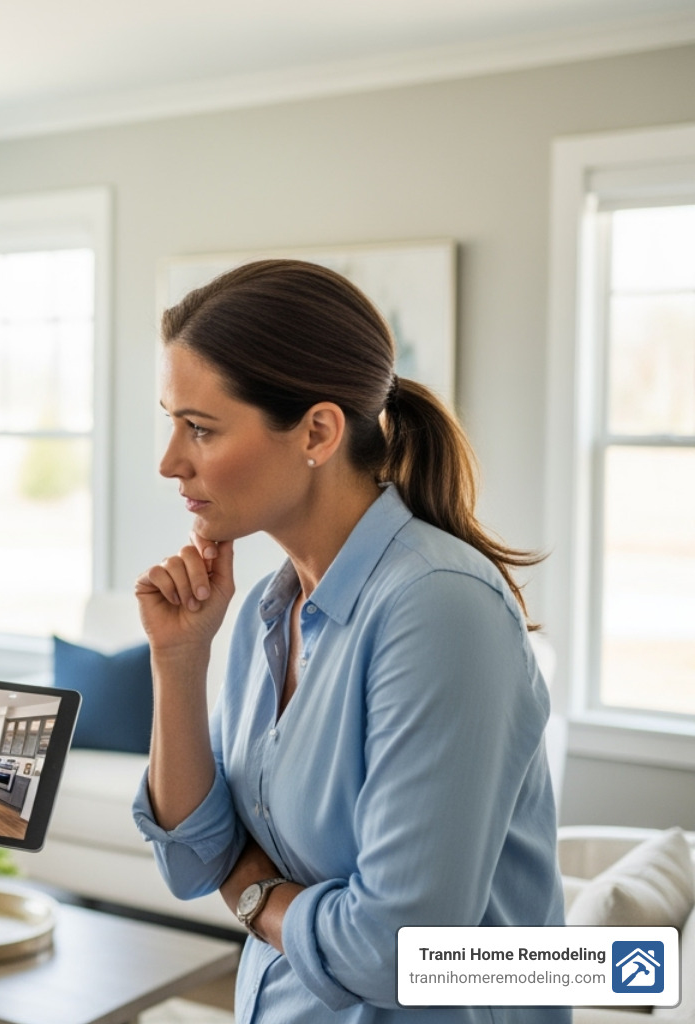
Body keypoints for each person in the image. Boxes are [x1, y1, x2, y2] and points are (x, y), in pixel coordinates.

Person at [131, 259, 566, 1024]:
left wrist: (257, 892)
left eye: (199, 428)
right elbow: (193, 860)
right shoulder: (272, 607)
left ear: (318, 432)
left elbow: (398, 952)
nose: (170, 461)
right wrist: (179, 659)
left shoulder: (439, 610)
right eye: (171, 422)